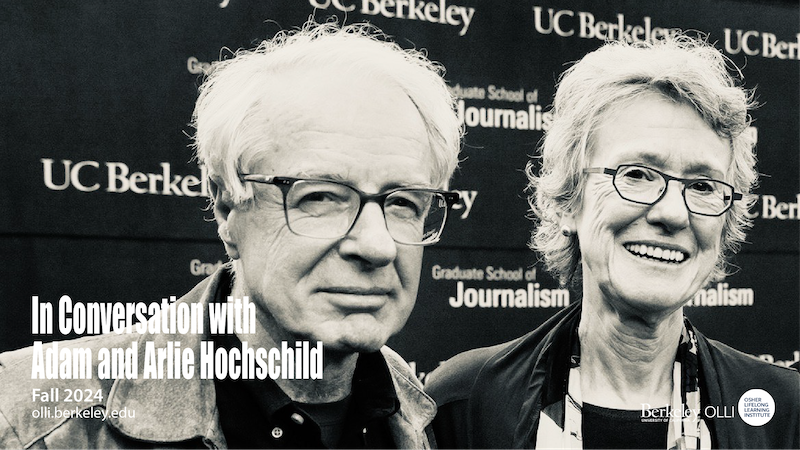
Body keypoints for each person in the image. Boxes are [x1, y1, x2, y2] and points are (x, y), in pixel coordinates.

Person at [0, 22, 462, 449]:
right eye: (321, 197)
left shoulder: (436, 419)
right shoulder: (26, 419)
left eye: (403, 203)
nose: (377, 245)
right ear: (226, 206)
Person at [426, 34, 800, 450]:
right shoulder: (466, 403)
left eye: (702, 185)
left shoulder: (781, 411)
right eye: (637, 174)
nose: (673, 213)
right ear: (570, 200)